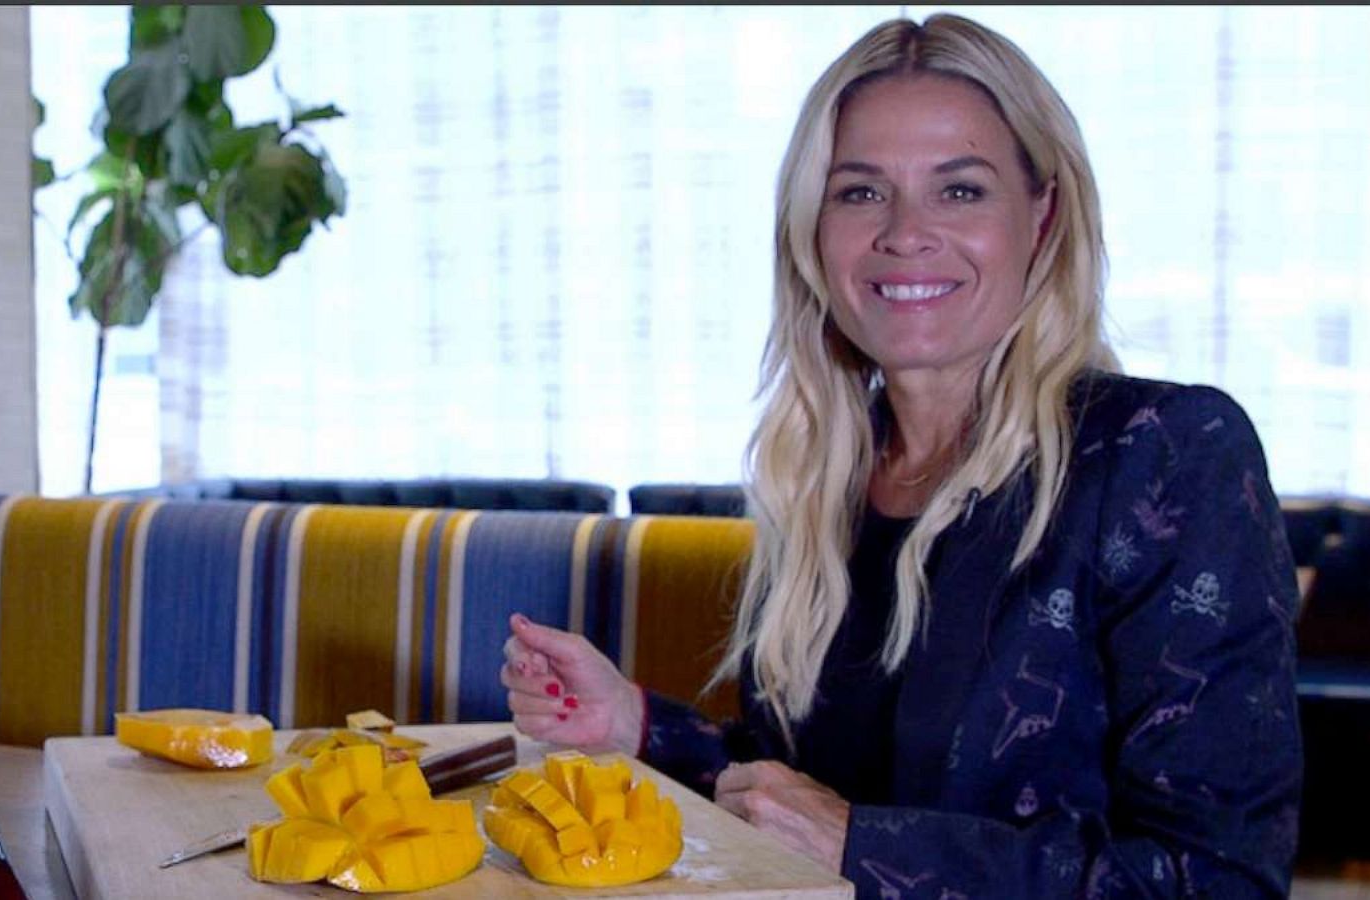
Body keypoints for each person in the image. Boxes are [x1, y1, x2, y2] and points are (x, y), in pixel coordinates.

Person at [501, 13, 1302, 898]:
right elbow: (805, 794)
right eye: (860, 191)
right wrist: (637, 724)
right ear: (813, 229)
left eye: (960, 190)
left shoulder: (1165, 454)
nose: (904, 232)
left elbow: (1221, 879)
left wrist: (858, 844)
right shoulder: (826, 475)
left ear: (1041, 216)